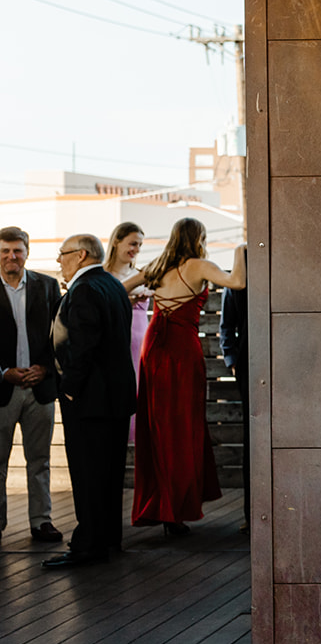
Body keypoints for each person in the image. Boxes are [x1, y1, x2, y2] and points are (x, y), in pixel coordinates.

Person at [129, 218, 245, 536]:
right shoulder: (199, 265)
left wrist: (139, 295)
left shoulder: (158, 264)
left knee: (158, 427)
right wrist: (240, 249)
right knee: (182, 427)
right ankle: (175, 509)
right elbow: (237, 282)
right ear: (200, 237)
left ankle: (165, 507)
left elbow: (119, 287)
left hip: (153, 348)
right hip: (180, 350)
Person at [45, 234, 136, 568]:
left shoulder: (84, 290)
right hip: (115, 398)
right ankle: (109, 537)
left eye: (63, 254)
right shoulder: (112, 285)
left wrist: (69, 388)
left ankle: (88, 546)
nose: (59, 261)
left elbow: (81, 345)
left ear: (81, 255)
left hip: (89, 399)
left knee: (88, 473)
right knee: (109, 473)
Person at [0, 226, 63, 543]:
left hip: (40, 387)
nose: (12, 256)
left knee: (40, 460)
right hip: (2, 389)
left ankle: (42, 521)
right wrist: (2, 372)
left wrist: (46, 369)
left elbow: (61, 337)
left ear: (27, 251)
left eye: (18, 250)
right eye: (5, 250)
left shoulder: (48, 286)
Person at [107, 222, 149, 443]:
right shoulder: (103, 275)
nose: (136, 249)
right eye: (133, 243)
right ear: (116, 241)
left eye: (140, 245)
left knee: (141, 393)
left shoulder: (142, 274)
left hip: (142, 341)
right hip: (116, 341)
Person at [219, 280, 249, 526]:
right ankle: (252, 516)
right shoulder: (239, 276)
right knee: (252, 438)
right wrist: (232, 359)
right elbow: (226, 325)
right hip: (248, 366)